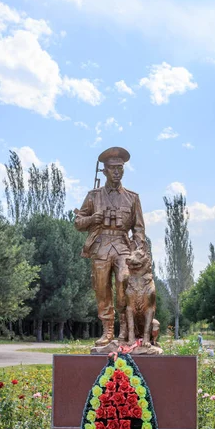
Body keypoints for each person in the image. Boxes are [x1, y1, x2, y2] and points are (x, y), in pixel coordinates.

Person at [75, 147, 145, 346]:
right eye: (112, 168)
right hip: (100, 246)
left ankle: (124, 328)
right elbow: (78, 223)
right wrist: (92, 218)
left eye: (120, 169)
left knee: (124, 281)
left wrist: (139, 247)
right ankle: (107, 331)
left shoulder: (132, 197)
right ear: (104, 171)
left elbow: (139, 228)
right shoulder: (93, 196)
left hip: (123, 247)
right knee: (101, 288)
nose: (117, 172)